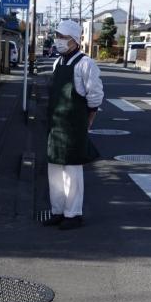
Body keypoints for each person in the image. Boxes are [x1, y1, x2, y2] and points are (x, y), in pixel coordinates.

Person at [44, 19, 104, 229]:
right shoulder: (58, 63)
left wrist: (88, 120)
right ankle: (57, 210)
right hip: (55, 123)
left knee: (72, 170)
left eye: (63, 37)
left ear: (74, 40)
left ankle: (73, 214)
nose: (58, 40)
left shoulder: (85, 64)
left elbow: (95, 95)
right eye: (57, 36)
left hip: (74, 124)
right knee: (54, 168)